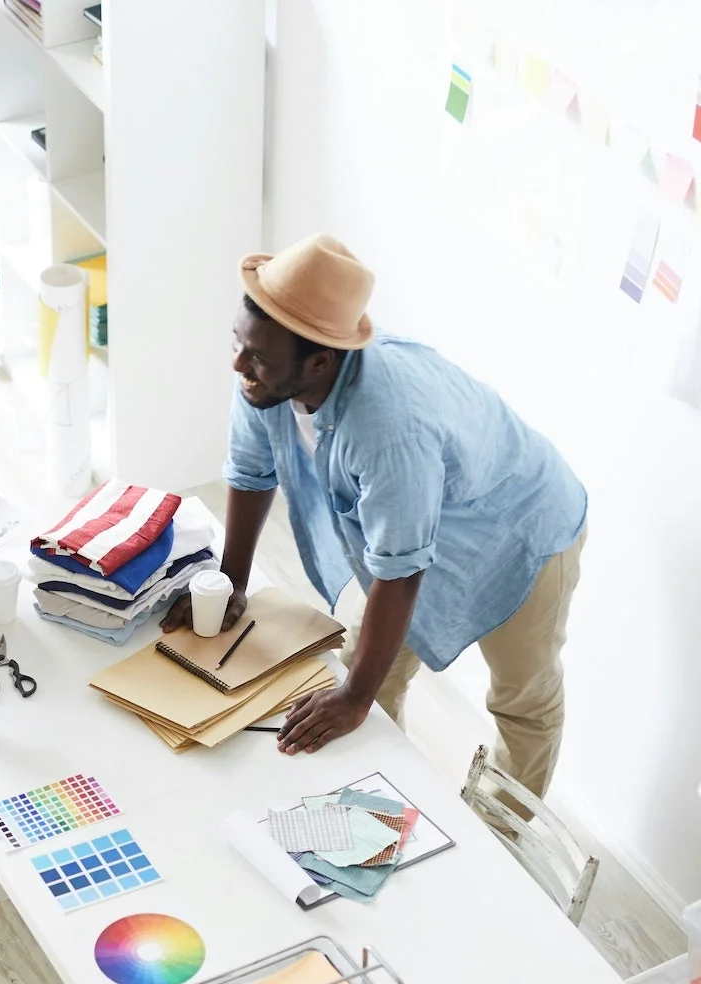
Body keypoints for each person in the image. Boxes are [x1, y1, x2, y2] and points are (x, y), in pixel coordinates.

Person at [167, 233, 588, 798]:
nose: (240, 364)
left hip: (520, 530)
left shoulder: (389, 429)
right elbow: (250, 472)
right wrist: (230, 585)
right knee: (362, 667)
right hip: (421, 516)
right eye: (239, 344)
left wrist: (356, 698)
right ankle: (371, 805)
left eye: (259, 357)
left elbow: (400, 569)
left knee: (520, 701)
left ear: (319, 361)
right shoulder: (263, 380)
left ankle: (503, 844)